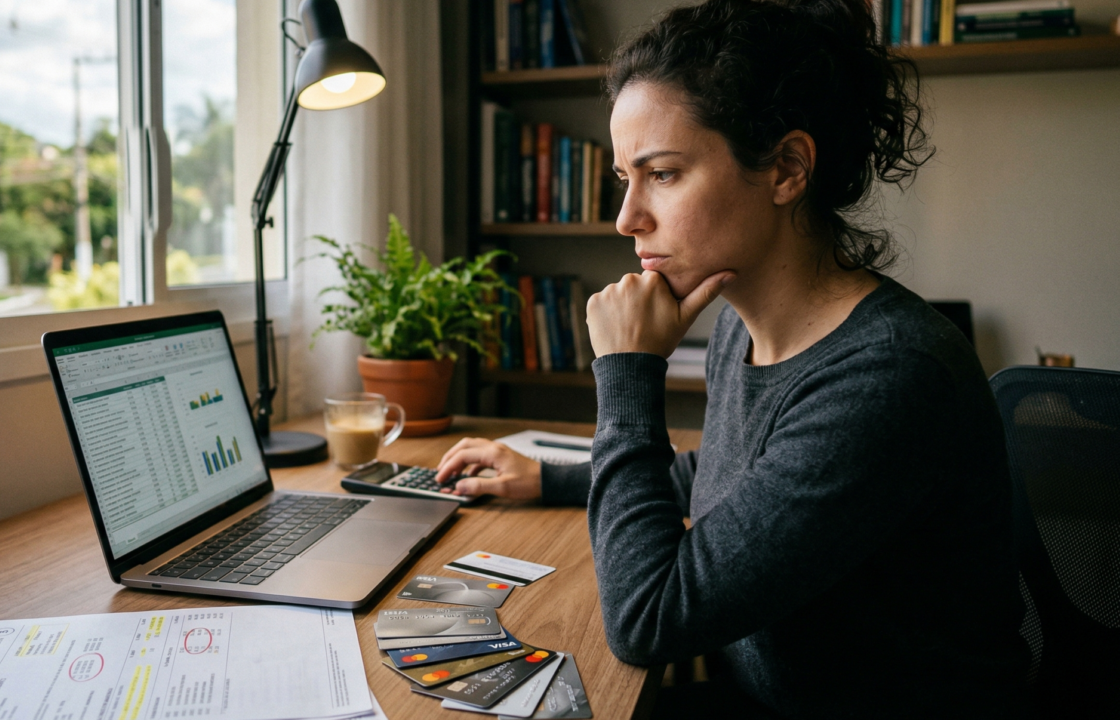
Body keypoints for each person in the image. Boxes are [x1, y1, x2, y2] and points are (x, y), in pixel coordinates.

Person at [436, 0, 1030, 716]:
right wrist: (552, 478)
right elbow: (730, 477)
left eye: (662, 174)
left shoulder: (889, 375)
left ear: (786, 168)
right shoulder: (738, 328)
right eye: (628, 178)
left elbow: (647, 620)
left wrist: (627, 375)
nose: (627, 219)